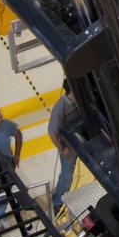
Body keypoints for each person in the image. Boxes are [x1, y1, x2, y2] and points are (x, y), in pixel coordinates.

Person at [48, 81, 79, 214]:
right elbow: (52, 132)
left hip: (78, 140)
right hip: (68, 147)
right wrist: (62, 149)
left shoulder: (77, 101)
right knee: (67, 175)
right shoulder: (60, 108)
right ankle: (57, 201)